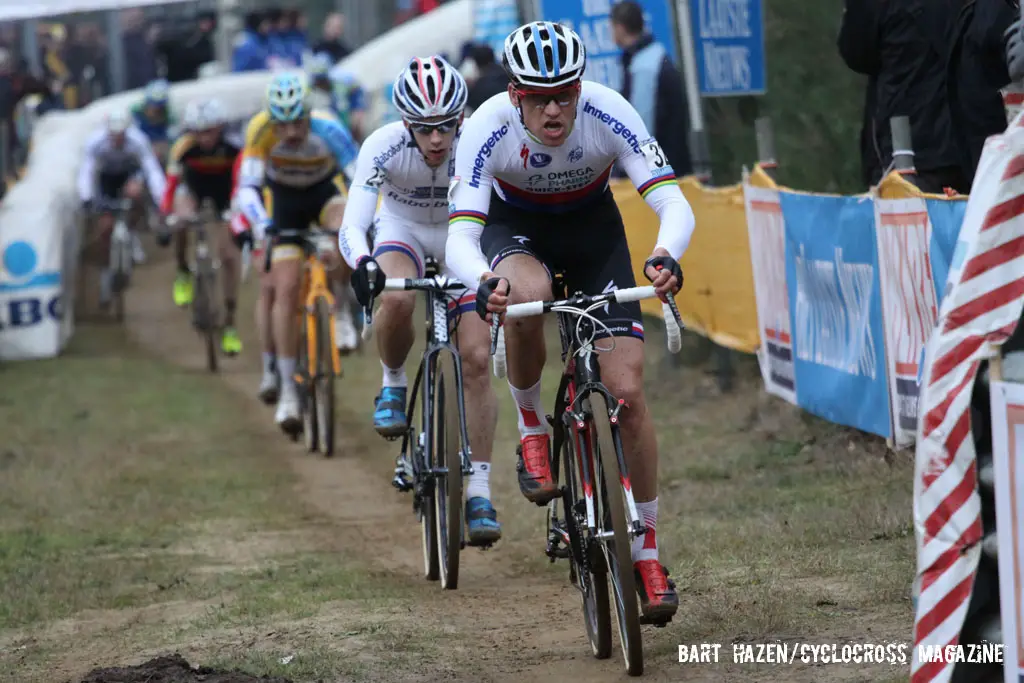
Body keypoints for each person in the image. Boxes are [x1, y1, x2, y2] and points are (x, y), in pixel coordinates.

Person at [446, 22, 695, 622]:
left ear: (581, 89)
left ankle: (647, 551)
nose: (554, 109)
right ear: (514, 96)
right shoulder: (486, 128)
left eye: (564, 94)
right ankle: (533, 426)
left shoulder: (608, 111)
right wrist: (484, 281)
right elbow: (461, 234)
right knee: (524, 293)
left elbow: (671, 199)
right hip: (517, 230)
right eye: (538, 97)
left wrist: (665, 256)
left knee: (629, 395)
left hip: (592, 235)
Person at [340, 56, 502, 545]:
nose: (437, 140)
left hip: (462, 238)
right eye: (425, 129)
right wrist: (363, 261)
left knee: (475, 359)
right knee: (394, 298)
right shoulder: (383, 146)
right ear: (405, 123)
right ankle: (392, 382)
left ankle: (478, 489)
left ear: (461, 118)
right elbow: (353, 223)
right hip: (403, 231)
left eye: (447, 127)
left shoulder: (477, 141)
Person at [236, 72, 360, 431]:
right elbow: (248, 188)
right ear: (273, 120)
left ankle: (339, 312)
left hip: (323, 193)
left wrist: (361, 221)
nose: (291, 133)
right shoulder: (259, 131)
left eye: (298, 123)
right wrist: (262, 225)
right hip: (285, 203)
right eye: (283, 125)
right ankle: (288, 389)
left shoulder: (330, 129)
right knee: (286, 289)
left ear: (309, 115)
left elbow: (360, 179)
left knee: (341, 229)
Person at [159, 99, 245, 355]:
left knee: (229, 255)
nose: (204, 138)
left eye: (209, 131)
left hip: (226, 193)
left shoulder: (234, 146)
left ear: (220, 127)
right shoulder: (183, 147)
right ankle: (183, 271)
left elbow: (243, 181)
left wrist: (237, 213)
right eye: (198, 132)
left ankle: (229, 324)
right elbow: (171, 185)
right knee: (181, 218)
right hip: (194, 189)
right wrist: (167, 215)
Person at [77, 110, 166, 309]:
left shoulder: (138, 140)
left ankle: (132, 232)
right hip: (105, 179)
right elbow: (87, 171)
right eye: (113, 135)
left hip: (128, 175)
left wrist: (162, 201)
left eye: (121, 135)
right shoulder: (95, 141)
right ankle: (104, 273)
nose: (117, 139)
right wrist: (86, 198)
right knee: (105, 227)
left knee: (135, 193)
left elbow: (151, 170)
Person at [610, 1, 692, 176]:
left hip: (661, 176)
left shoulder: (644, 67)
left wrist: (629, 172)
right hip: (672, 168)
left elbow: (641, 129)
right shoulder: (654, 56)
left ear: (620, 27)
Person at [132, 79, 176, 163]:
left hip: (162, 153)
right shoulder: (136, 113)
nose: (155, 109)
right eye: (152, 104)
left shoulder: (169, 116)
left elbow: (172, 138)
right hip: (140, 152)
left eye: (159, 106)